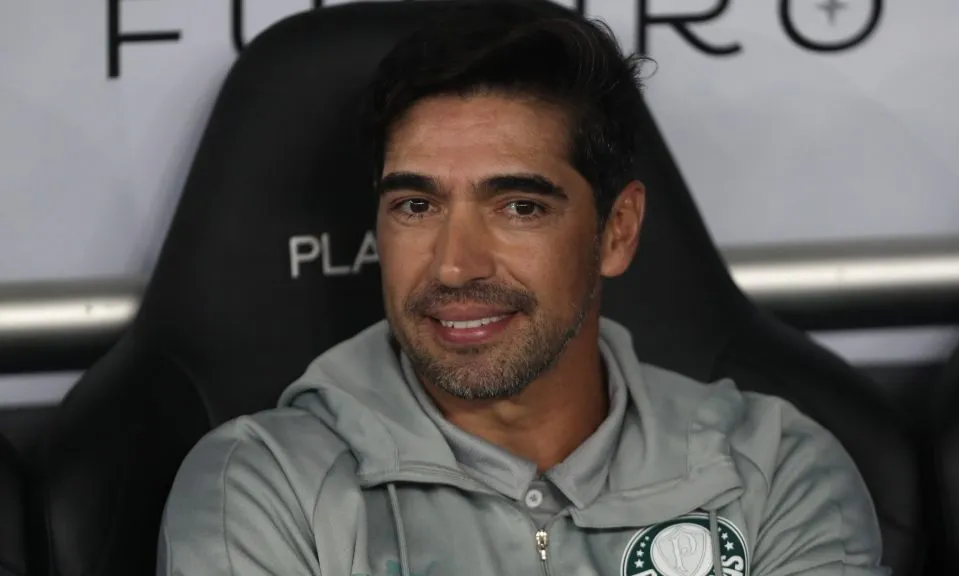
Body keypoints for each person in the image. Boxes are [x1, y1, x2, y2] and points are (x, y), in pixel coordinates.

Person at [157, 2, 888, 575]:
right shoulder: (262, 488)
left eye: (519, 207)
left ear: (617, 231)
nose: (454, 266)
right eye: (416, 206)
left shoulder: (772, 472)